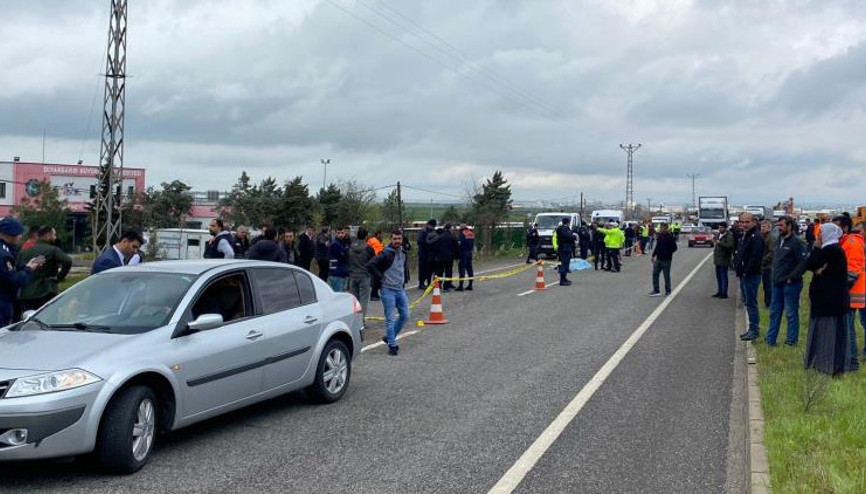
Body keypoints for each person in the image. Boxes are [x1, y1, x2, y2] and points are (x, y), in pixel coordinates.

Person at [803, 223, 853, 376]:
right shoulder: (835, 250)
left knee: (828, 335)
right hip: (832, 301)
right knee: (832, 334)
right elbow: (814, 267)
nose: (818, 236)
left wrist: (816, 248)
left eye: (821, 233)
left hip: (828, 302)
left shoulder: (830, 251)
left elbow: (810, 263)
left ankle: (826, 364)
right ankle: (829, 365)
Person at [764, 216, 807, 346]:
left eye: (782, 225)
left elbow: (803, 263)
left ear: (790, 226)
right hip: (777, 282)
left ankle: (791, 340)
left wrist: (792, 277)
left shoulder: (797, 243)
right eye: (778, 225)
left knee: (790, 313)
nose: (779, 228)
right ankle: (770, 339)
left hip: (791, 284)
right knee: (774, 312)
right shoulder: (778, 240)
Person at [367, 229, 410, 356]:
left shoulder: (403, 252)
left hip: (400, 289)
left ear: (402, 240)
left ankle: (389, 337)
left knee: (405, 315)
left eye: (399, 239)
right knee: (390, 319)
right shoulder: (385, 253)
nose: (397, 241)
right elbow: (370, 265)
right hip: (388, 290)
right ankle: (392, 344)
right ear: (391, 239)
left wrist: (404, 280)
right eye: (395, 239)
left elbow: (402, 268)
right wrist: (380, 277)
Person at [834, 213, 864, 370]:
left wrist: (841, 287)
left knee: (849, 328)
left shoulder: (851, 242)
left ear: (844, 227)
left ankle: (853, 361)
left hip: (854, 292)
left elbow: (853, 269)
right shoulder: (846, 241)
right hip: (855, 291)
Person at [0, 218, 44, 325]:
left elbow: (11, 269)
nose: (20, 237)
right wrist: (29, 270)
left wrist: (25, 266)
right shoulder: (3, 254)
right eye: (18, 234)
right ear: (7, 235)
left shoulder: (7, 249)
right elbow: (13, 280)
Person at [18, 226, 72, 311]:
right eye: (54, 235)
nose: (55, 238)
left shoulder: (24, 252)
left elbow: (18, 269)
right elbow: (68, 261)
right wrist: (59, 277)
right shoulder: (53, 250)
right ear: (47, 235)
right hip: (46, 291)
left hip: (25, 294)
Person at [737, 213, 765, 341]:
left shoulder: (756, 236)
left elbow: (755, 258)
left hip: (751, 274)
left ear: (754, 221)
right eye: (742, 222)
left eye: (747, 222)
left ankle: (754, 329)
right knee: (748, 302)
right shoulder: (746, 235)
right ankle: (751, 329)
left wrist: (746, 272)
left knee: (751, 302)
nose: (744, 224)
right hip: (745, 274)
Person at [347, 227, 376, 318]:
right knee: (364, 300)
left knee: (355, 300)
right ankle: (361, 320)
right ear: (366, 237)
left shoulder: (350, 247)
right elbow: (374, 261)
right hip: (364, 276)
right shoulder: (369, 249)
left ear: (357, 235)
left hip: (352, 275)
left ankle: (355, 319)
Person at [649, 223, 678, 296]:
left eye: (663, 228)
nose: (662, 229)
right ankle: (656, 290)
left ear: (666, 228)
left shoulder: (670, 237)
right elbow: (657, 247)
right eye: (661, 228)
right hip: (658, 259)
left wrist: (668, 253)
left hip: (667, 260)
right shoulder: (660, 236)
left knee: (666, 275)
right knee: (655, 274)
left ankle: (668, 290)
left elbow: (675, 248)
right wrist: (653, 255)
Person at [712, 222, 735, 298]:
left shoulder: (729, 235)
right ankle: (720, 291)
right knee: (718, 277)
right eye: (719, 227)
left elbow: (729, 245)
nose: (720, 229)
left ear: (725, 228)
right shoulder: (718, 234)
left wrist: (720, 243)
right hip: (718, 259)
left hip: (724, 259)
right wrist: (714, 240)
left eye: (721, 227)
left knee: (723, 276)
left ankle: (724, 293)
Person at [327, 226, 350, 292]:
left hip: (340, 272)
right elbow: (343, 257)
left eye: (342, 233)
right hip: (337, 272)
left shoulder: (343, 243)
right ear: (336, 234)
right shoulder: (335, 244)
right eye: (338, 233)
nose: (340, 235)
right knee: (338, 294)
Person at [436, 224, 458, 291]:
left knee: (440, 271)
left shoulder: (440, 237)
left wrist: (436, 255)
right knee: (448, 271)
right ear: (450, 229)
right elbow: (456, 247)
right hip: (449, 257)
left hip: (440, 257)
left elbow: (436, 247)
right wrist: (456, 256)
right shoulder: (452, 237)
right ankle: (447, 285)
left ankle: (438, 285)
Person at [416, 219, 436, 290]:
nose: (434, 228)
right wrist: (427, 243)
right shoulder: (423, 231)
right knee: (422, 268)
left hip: (429, 254)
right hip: (423, 253)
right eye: (433, 226)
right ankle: (421, 283)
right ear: (429, 225)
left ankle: (427, 282)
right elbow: (419, 241)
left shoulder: (432, 231)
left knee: (429, 269)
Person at [555, 217, 576, 286]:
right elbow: (567, 236)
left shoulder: (561, 228)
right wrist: (573, 236)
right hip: (565, 248)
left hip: (564, 247)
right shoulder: (563, 229)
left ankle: (564, 278)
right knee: (565, 264)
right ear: (568, 222)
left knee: (566, 263)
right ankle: (562, 280)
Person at [760, 220, 775, 308]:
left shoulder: (770, 238)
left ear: (769, 228)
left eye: (764, 227)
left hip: (769, 266)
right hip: (764, 265)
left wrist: (764, 260)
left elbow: (772, 251)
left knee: (768, 285)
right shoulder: (763, 237)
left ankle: (769, 303)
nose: (762, 228)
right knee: (765, 286)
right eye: (761, 226)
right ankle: (767, 302)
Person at [456, 224, 475, 291]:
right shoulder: (471, 233)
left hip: (463, 253)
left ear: (461, 228)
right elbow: (473, 244)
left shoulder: (462, 234)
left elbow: (459, 243)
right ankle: (470, 285)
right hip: (469, 252)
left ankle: (461, 286)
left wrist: (457, 253)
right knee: (470, 269)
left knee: (462, 269)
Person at [367, 230, 384, 301]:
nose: (381, 236)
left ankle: (375, 294)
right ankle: (374, 295)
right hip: (376, 261)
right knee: (376, 280)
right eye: (381, 234)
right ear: (378, 234)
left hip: (372, 261)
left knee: (375, 279)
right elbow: (378, 251)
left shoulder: (371, 240)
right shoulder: (375, 241)